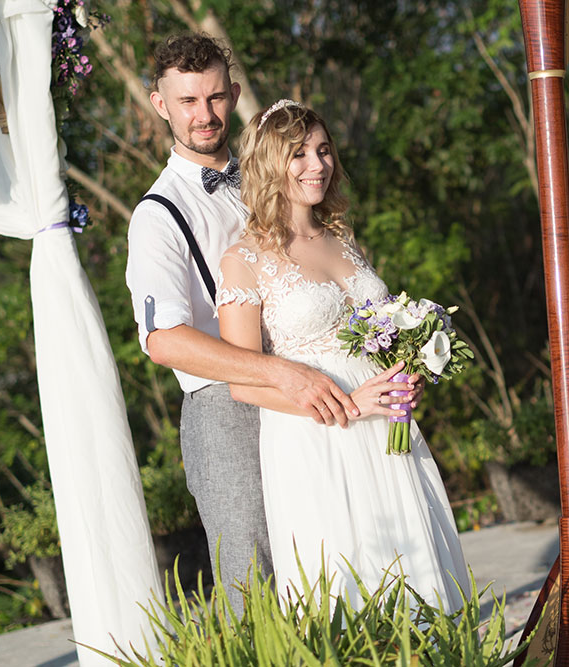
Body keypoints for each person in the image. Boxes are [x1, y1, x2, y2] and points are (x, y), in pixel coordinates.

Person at [125, 34, 416, 612]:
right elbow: (162, 340)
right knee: (254, 578)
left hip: (321, 391)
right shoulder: (156, 216)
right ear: (161, 105)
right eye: (187, 101)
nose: (203, 115)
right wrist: (282, 374)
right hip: (224, 406)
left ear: (233, 95)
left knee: (336, 558)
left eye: (214, 97)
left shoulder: (276, 168)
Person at [216, 99, 469, 609]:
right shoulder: (243, 259)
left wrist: (410, 367)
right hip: (318, 436)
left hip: (387, 427)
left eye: (324, 150)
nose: (318, 165)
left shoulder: (343, 241)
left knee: (412, 563)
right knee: (350, 576)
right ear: (270, 163)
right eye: (300, 154)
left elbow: (381, 328)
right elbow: (242, 382)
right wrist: (351, 404)